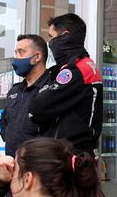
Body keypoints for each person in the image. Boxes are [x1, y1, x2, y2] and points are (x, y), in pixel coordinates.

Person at [28, 14, 103, 154]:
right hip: (68, 153)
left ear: (65, 36)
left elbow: (37, 108)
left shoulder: (78, 68)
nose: (49, 42)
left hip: (72, 156)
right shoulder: (71, 67)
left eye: (51, 37)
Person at [0, 34, 51, 157]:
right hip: (13, 165)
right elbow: (4, 122)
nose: (16, 58)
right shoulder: (14, 91)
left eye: (21, 52)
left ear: (37, 56)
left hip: (40, 166)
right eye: (15, 52)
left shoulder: (52, 88)